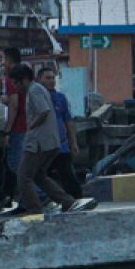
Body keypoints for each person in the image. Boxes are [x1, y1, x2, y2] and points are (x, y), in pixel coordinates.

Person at [7, 65, 94, 216]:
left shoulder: (35, 90)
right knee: (38, 176)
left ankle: (35, 210)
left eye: (16, 83)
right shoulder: (37, 90)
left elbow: (44, 111)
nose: (15, 87)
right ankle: (66, 201)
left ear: (25, 80)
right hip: (49, 142)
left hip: (38, 143)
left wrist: (31, 127)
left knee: (23, 177)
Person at [37, 67, 82, 198]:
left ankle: (77, 198)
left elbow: (68, 121)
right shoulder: (36, 97)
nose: (51, 81)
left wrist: (73, 143)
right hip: (44, 146)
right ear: (39, 80)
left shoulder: (60, 98)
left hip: (61, 145)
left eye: (53, 78)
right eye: (47, 78)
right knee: (44, 175)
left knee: (67, 174)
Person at [0, 47, 28, 206]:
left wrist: (7, 130)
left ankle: (38, 196)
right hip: (27, 125)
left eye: (2, 59)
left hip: (19, 127)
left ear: (9, 61)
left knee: (16, 164)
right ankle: (25, 200)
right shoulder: (25, 74)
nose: (2, 63)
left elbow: (14, 105)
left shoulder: (12, 77)